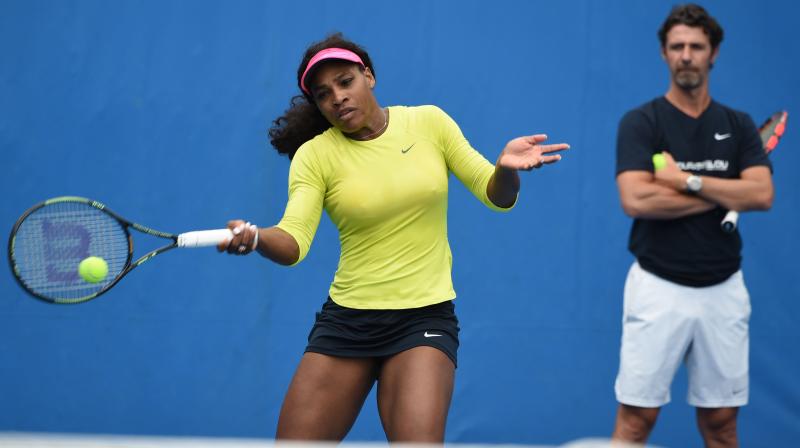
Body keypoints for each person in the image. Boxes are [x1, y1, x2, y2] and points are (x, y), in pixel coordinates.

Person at [217, 33, 569, 442]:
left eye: (345, 81)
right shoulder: (314, 155)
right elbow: (294, 242)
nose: (337, 97)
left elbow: (496, 196)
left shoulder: (429, 123)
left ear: (368, 76)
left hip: (423, 319)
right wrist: (256, 238)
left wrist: (505, 169)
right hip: (347, 322)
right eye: (323, 94)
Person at [612, 4, 773, 447]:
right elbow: (636, 199)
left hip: (724, 290)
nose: (686, 55)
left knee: (722, 424)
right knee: (636, 421)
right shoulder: (641, 122)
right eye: (677, 46)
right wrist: (727, 191)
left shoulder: (738, 125)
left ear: (713, 53)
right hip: (657, 287)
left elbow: (761, 194)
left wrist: (686, 180)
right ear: (664, 53)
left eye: (696, 47)